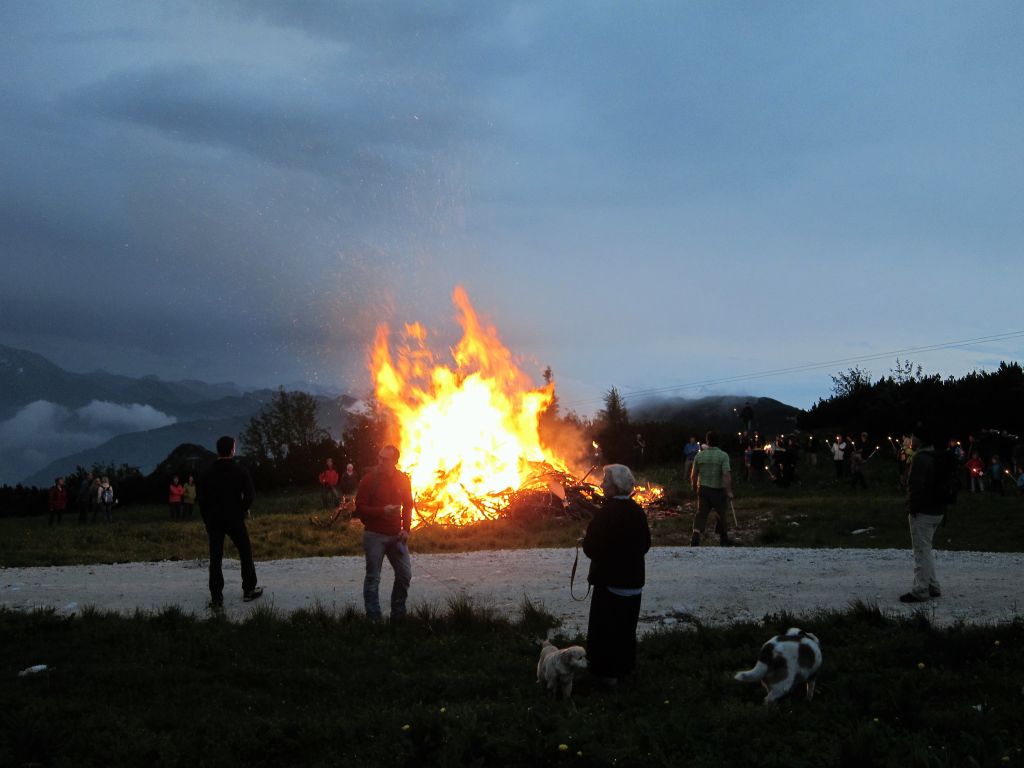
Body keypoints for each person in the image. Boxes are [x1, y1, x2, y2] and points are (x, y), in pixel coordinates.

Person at [582, 464, 651, 689]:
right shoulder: (637, 511)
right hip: (633, 584)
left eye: (605, 482)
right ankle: (624, 671)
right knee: (625, 630)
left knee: (605, 631)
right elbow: (645, 545)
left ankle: (607, 676)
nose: (602, 485)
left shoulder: (606, 513)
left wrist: (587, 541)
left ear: (615, 486)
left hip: (610, 583)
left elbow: (592, 548)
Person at [198, 436, 263, 608]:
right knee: (245, 553)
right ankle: (249, 590)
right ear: (232, 450)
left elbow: (202, 500)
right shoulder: (240, 470)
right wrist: (241, 510)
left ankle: (217, 598)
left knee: (215, 558)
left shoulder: (207, 472)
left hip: (214, 519)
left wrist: (207, 519)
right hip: (234, 518)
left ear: (218, 450)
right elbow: (250, 496)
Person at [354, 445, 414, 621]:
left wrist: (406, 529)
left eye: (385, 459)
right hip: (374, 535)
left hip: (397, 535)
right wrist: (383, 511)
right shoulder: (369, 480)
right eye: (379, 457)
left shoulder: (403, 479)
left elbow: (408, 504)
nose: (380, 461)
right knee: (373, 578)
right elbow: (360, 508)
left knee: (405, 575)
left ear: (395, 461)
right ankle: (374, 618)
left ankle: (398, 614)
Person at [900, 424, 948, 603]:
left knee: (920, 551)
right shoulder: (936, 455)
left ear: (919, 438)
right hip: (938, 510)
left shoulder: (920, 458)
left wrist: (911, 507)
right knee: (926, 548)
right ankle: (933, 586)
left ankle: (920, 590)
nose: (911, 440)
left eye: (913, 436)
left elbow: (915, 486)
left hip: (923, 511)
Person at [689, 430, 734, 547]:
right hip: (718, 490)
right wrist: (729, 491)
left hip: (703, 489)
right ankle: (723, 538)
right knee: (721, 513)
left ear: (707, 441)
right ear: (718, 441)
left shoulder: (699, 455)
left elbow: (693, 474)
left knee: (701, 513)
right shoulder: (723, 456)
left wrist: (694, 486)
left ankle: (695, 535)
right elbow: (726, 474)